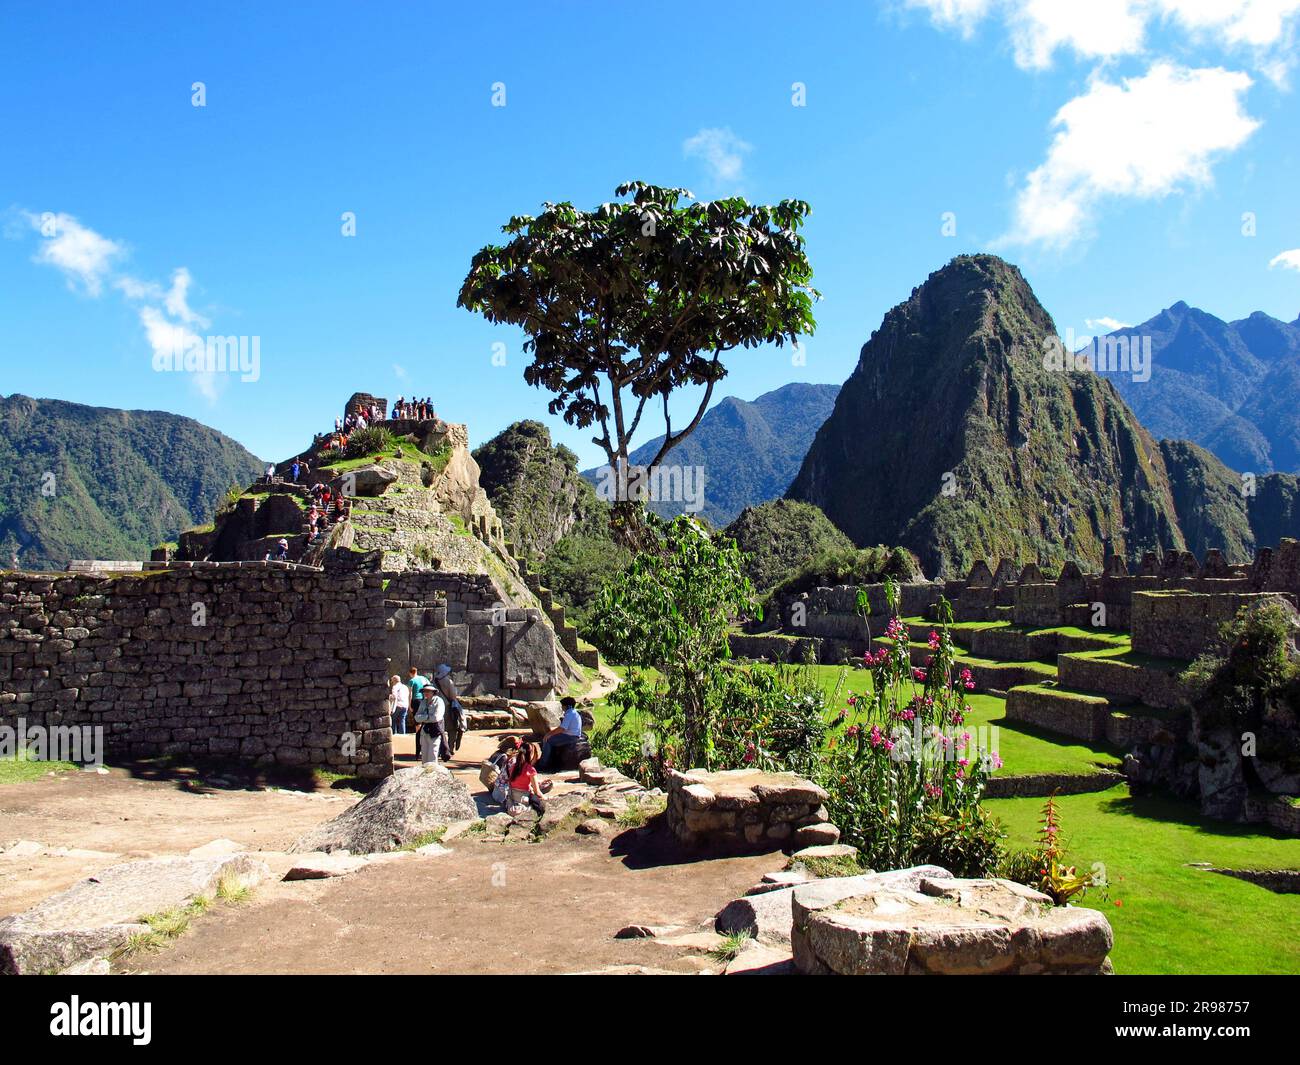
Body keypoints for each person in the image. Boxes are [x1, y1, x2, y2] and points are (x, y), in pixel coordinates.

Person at [539, 695, 585, 770]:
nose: (562, 707)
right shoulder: (574, 713)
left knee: (548, 740)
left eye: (563, 705)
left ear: (568, 706)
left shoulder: (569, 714)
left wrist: (549, 734)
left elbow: (562, 729)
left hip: (571, 737)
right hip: (572, 735)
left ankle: (543, 764)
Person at [433, 664, 464, 756]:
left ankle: (438, 749)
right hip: (447, 707)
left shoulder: (434, 681)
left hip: (436, 706)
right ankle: (450, 748)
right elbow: (453, 696)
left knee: (438, 728)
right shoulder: (448, 681)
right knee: (452, 729)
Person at [507, 743, 546, 816]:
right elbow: (537, 792)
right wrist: (547, 799)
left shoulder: (513, 766)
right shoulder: (531, 770)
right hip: (524, 799)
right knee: (539, 802)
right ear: (531, 755)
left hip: (512, 798)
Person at [414, 685, 448, 764]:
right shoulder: (423, 702)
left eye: (428, 691)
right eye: (424, 691)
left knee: (432, 755)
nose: (426, 693)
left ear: (433, 692)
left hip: (435, 731)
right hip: (424, 731)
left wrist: (424, 717)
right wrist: (428, 717)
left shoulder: (439, 701)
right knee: (424, 757)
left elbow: (436, 718)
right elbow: (416, 717)